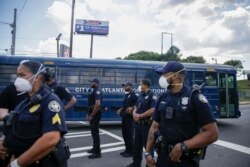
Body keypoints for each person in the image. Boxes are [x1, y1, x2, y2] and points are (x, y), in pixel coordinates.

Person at [145, 61, 219, 167]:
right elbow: (154, 127)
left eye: (164, 74)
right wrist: (147, 152)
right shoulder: (162, 97)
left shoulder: (194, 98)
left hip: (184, 161)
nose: (161, 78)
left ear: (174, 75)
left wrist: (183, 146)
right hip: (162, 158)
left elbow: (212, 133)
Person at [0, 60, 69, 167]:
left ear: (36, 77)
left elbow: (51, 138)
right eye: (18, 75)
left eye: (22, 75)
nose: (18, 79)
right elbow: (15, 127)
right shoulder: (26, 101)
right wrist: (5, 143)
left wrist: (17, 163)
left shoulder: (50, 100)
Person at [126, 79, 157, 167]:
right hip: (138, 125)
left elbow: (153, 110)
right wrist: (134, 113)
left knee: (148, 147)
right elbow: (136, 106)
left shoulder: (152, 95)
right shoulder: (141, 95)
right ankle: (136, 164)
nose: (140, 86)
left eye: (141, 84)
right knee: (137, 146)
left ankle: (149, 164)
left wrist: (140, 116)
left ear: (146, 85)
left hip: (146, 126)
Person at [0, 84, 28, 167]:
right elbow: (2, 114)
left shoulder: (46, 95)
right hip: (11, 136)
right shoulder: (9, 90)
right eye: (18, 75)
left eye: (23, 75)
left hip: (31, 141)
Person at [117, 82, 138, 157]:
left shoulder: (134, 95)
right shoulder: (126, 95)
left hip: (130, 118)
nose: (124, 87)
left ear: (130, 86)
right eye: (124, 86)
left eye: (126, 86)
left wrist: (132, 108)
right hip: (124, 117)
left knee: (129, 135)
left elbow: (139, 103)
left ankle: (131, 152)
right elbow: (125, 105)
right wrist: (121, 109)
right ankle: (127, 150)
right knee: (125, 135)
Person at [87, 78, 102, 159]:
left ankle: (97, 153)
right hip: (92, 112)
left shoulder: (97, 91)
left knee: (95, 133)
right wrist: (88, 113)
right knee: (93, 132)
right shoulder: (94, 90)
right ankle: (95, 148)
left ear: (96, 83)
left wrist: (92, 115)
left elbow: (97, 105)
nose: (90, 83)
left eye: (91, 82)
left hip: (96, 114)